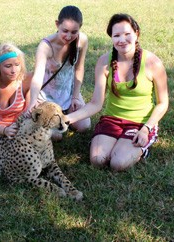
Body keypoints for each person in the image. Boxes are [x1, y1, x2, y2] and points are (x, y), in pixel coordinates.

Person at [67, 13, 169, 171]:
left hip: (140, 123)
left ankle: (142, 147)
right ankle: (107, 143)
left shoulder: (152, 63)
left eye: (127, 34)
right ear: (111, 38)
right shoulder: (103, 62)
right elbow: (95, 103)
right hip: (111, 120)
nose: (122, 40)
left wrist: (146, 128)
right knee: (98, 160)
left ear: (137, 34)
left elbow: (163, 103)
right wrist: (67, 118)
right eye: (116, 35)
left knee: (117, 163)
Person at [26, 5, 91, 139]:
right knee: (56, 136)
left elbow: (79, 68)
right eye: (65, 30)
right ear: (57, 24)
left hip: (68, 92)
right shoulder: (46, 46)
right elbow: (37, 76)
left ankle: (65, 112)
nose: (68, 36)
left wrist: (75, 96)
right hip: (47, 96)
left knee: (84, 126)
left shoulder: (82, 40)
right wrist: (33, 101)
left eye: (74, 32)